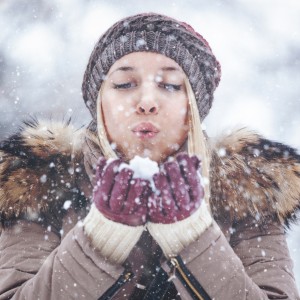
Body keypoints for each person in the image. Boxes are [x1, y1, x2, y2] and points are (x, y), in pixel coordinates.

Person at [0, 12, 299, 300]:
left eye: (169, 85)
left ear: (192, 109)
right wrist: (101, 239)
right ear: (99, 101)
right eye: (125, 84)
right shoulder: (38, 183)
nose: (147, 102)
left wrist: (191, 236)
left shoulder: (246, 191)